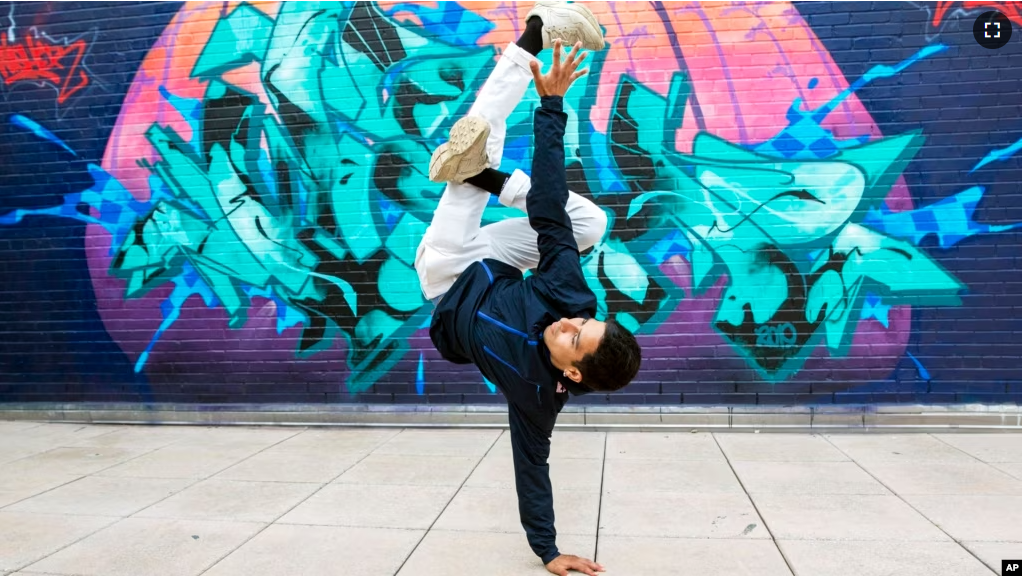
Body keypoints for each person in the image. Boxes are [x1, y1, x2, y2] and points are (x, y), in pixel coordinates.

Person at [414, 3, 642, 575]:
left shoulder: (537, 397)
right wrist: (552, 106)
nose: (566, 324)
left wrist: (548, 551)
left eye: (571, 338)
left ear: (570, 374)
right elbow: (548, 208)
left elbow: (532, 469)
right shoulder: (571, 299)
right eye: (583, 322)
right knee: (587, 223)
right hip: (494, 265)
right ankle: (535, 36)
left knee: (480, 146)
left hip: (446, 279)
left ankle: (473, 172)